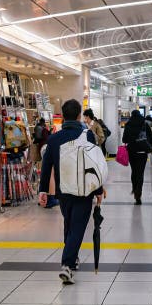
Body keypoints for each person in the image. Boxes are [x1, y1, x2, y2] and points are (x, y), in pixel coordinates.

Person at [39, 99, 105, 284]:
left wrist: (43, 190)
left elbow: (46, 166)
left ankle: (72, 259)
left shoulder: (54, 138)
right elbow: (94, 165)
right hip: (84, 191)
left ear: (63, 115)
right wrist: (98, 189)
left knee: (69, 224)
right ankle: (67, 265)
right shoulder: (87, 135)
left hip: (63, 191)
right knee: (77, 228)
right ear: (78, 115)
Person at [122, 110, 152, 205]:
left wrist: (131, 139)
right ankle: (138, 194)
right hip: (142, 152)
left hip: (132, 152)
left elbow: (124, 139)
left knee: (134, 171)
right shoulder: (144, 124)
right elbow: (151, 137)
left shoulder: (128, 125)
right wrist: (151, 147)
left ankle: (134, 188)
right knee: (140, 173)